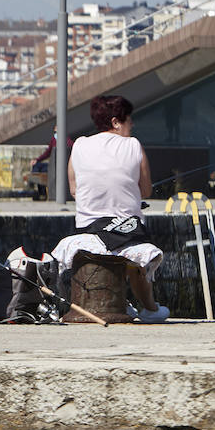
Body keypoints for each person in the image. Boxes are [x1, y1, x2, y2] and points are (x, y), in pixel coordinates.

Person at [52, 95, 168, 322]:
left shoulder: (80, 145)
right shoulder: (133, 145)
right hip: (126, 228)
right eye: (128, 120)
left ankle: (122, 303)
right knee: (135, 255)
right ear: (116, 122)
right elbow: (145, 190)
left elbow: (75, 190)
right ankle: (150, 308)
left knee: (122, 247)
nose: (132, 125)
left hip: (89, 228)